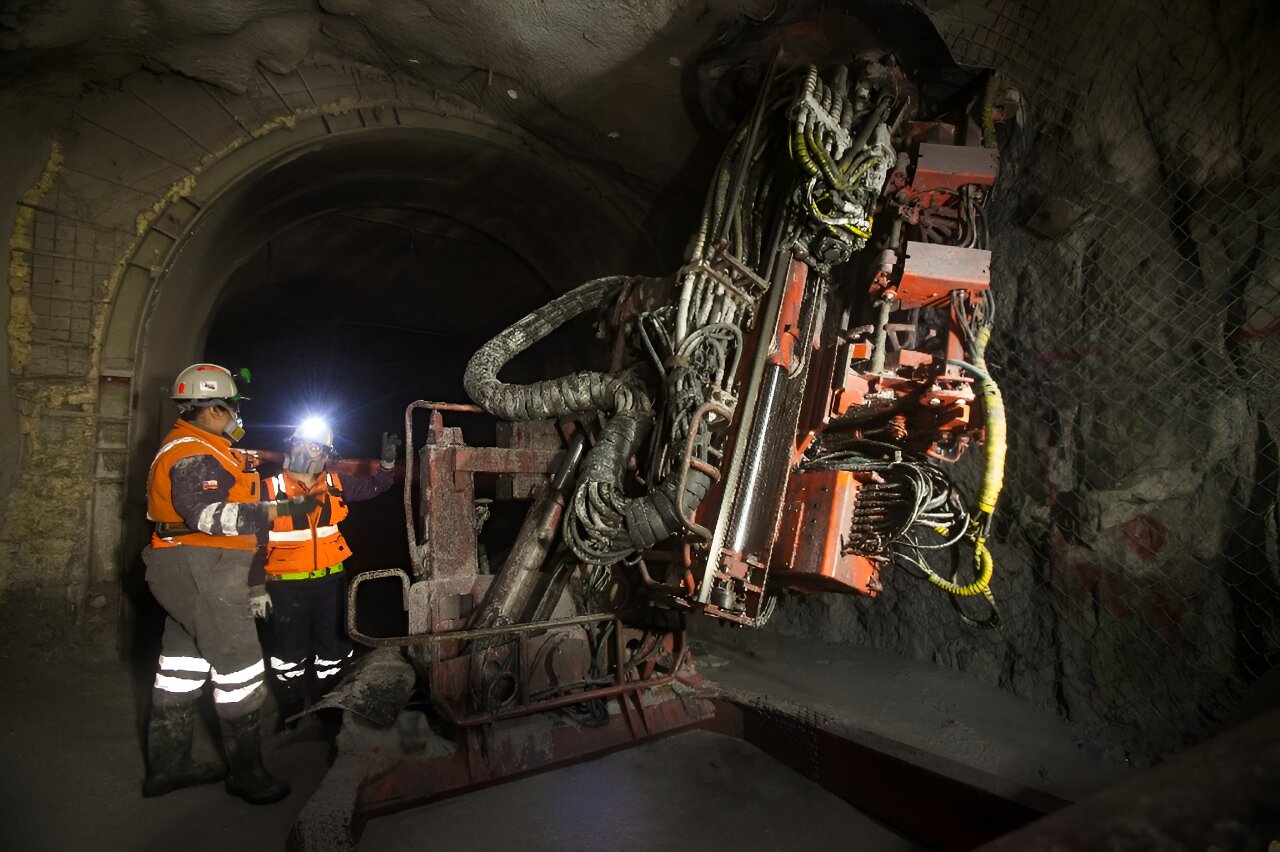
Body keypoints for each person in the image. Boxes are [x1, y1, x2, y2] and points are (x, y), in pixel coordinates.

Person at [142, 363, 318, 805]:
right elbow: (208, 515)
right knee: (240, 668)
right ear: (216, 409)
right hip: (204, 568)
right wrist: (283, 510)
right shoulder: (194, 452)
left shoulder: (203, 448)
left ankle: (168, 767)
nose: (239, 416)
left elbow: (228, 490)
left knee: (181, 667)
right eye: (235, 407)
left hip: (187, 567)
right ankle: (247, 773)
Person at [258, 417, 400, 728]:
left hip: (330, 582)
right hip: (285, 586)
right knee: (289, 654)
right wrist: (255, 587)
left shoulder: (336, 483)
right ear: (292, 445)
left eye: (322, 449)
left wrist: (387, 465)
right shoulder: (269, 488)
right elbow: (252, 541)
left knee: (333, 651)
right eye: (310, 445)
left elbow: (376, 486)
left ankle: (331, 713)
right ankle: (291, 712)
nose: (316, 453)